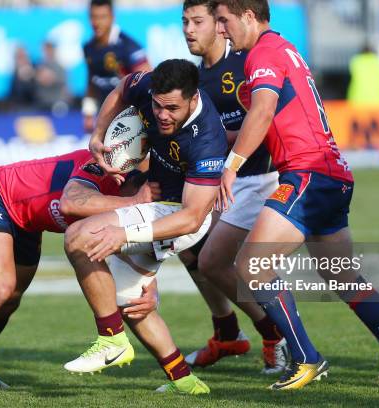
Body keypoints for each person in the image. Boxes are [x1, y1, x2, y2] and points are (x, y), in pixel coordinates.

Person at [215, 0, 379, 390]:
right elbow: (268, 119)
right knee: (342, 275)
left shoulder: (264, 52)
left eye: (224, 20)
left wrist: (231, 166)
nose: (222, 30)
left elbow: (262, 112)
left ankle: (307, 358)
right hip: (332, 173)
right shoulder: (284, 49)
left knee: (251, 266)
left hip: (307, 173)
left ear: (247, 16)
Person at [0, 149, 158, 400]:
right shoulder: (104, 168)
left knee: (11, 297)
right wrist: (133, 202)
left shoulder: (128, 208)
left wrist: (151, 289)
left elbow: (130, 252)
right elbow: (70, 201)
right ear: (133, 183)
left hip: (29, 223)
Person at [63, 59, 228, 394]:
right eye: (157, 105)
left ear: (193, 99)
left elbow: (194, 218)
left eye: (172, 108)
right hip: (159, 203)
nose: (162, 115)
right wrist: (99, 133)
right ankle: (185, 382)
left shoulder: (207, 139)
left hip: (180, 215)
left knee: (80, 237)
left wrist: (123, 234)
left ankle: (111, 340)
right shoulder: (149, 86)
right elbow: (122, 89)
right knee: (129, 299)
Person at [180, 0, 287, 373]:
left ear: (219, 24)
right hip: (223, 182)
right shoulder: (195, 79)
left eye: (198, 21)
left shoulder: (245, 63)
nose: (189, 30)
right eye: (185, 22)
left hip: (258, 178)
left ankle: (275, 332)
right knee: (187, 245)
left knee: (226, 263)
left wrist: (223, 137)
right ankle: (227, 333)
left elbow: (267, 118)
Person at [82, 0, 151, 133]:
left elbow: (147, 82)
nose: (96, 22)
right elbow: (91, 82)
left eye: (102, 17)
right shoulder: (88, 47)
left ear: (112, 17)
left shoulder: (128, 46)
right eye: (93, 17)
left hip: (130, 119)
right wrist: (89, 114)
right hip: (105, 117)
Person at [35, 41, 69, 114]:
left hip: (57, 104)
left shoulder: (60, 67)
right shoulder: (39, 66)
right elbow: (35, 82)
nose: (48, 52)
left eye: (49, 49)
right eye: (46, 50)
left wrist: (51, 78)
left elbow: (63, 82)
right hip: (42, 103)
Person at [8, 45, 36, 111]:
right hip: (18, 108)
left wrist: (30, 76)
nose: (21, 59)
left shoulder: (35, 68)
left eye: (23, 56)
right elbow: (13, 94)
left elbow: (36, 92)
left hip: (36, 107)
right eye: (19, 57)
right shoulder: (15, 73)